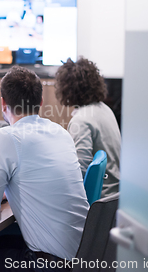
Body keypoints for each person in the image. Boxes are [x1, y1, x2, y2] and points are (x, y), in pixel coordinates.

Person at [0, 66, 89, 272]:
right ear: (40, 102)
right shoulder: (61, 132)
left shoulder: (8, 137)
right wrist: (4, 192)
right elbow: (39, 181)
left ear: (3, 103)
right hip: (83, 255)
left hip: (49, 264)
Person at [55, 57, 121, 197]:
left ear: (66, 89)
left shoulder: (81, 120)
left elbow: (79, 172)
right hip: (116, 195)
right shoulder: (105, 109)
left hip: (100, 199)